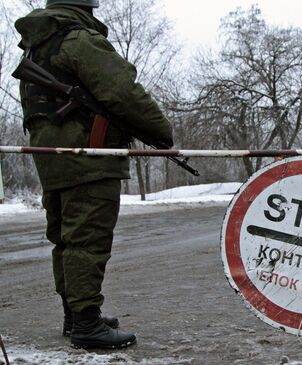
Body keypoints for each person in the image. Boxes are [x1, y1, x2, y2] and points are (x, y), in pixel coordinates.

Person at [15, 0, 173, 348]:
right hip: (87, 156)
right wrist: (162, 132)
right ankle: (86, 324)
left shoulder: (38, 46)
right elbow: (122, 90)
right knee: (88, 240)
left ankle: (75, 316)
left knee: (66, 239)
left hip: (53, 156)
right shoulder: (77, 39)